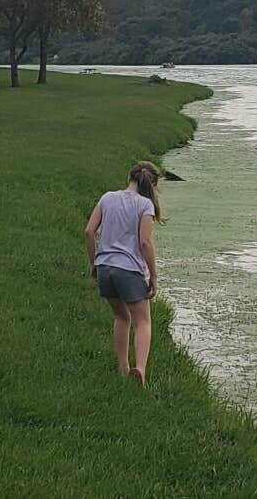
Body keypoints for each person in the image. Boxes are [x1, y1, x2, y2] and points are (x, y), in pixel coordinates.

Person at [85, 161, 163, 387]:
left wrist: (94, 263)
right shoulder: (144, 205)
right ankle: (140, 368)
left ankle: (123, 368)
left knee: (121, 316)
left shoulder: (107, 197)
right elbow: (145, 242)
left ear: (130, 177)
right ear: (152, 184)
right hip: (128, 269)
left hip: (105, 267)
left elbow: (89, 231)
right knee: (143, 321)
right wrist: (154, 276)